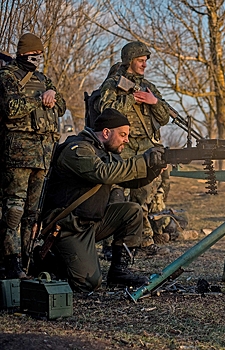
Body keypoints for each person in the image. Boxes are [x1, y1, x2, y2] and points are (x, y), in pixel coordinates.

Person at [37, 108, 167, 292]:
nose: (126, 140)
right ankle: (51, 261)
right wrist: (143, 161)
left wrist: (153, 169)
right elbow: (103, 173)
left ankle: (119, 273)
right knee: (89, 283)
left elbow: (127, 178)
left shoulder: (104, 151)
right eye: (122, 134)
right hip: (69, 227)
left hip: (93, 223)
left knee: (132, 211)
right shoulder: (77, 149)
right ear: (106, 133)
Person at [0, 33, 66, 279]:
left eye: (40, 54)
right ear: (24, 54)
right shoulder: (7, 77)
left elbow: (61, 107)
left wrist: (53, 96)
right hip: (17, 155)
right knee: (13, 210)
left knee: (32, 213)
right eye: (34, 54)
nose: (38, 59)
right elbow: (11, 108)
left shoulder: (43, 78)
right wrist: (39, 98)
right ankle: (11, 262)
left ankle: (28, 262)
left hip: (42, 155)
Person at [99, 41, 172, 253]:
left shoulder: (149, 86)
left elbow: (165, 117)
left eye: (145, 61)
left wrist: (153, 101)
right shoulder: (113, 83)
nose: (144, 65)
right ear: (130, 60)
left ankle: (143, 240)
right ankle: (111, 244)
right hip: (123, 146)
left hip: (146, 147)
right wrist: (131, 99)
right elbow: (105, 110)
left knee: (143, 195)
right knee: (117, 195)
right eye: (141, 61)